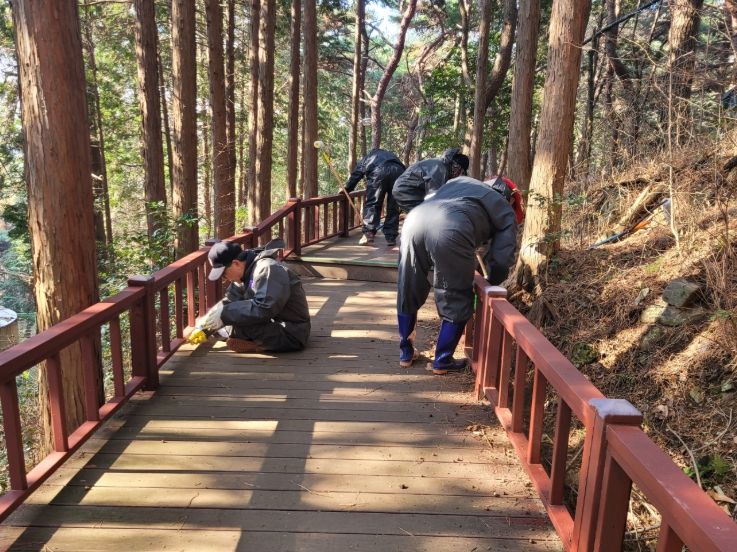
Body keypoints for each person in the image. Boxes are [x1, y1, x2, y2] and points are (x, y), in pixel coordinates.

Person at [396, 176, 517, 375]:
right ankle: (442, 360)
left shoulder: (461, 182)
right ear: (507, 196)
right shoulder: (504, 207)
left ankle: (405, 352)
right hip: (451, 226)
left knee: (408, 285)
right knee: (455, 294)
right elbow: (502, 257)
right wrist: (492, 281)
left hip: (414, 220)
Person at [187, 240, 311, 353]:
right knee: (228, 321)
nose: (225, 279)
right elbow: (230, 301)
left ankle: (258, 345)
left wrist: (224, 314)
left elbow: (265, 308)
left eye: (224, 274)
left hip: (292, 332)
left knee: (235, 322)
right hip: (273, 323)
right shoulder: (245, 272)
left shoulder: (267, 269)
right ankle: (255, 342)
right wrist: (204, 327)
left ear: (236, 263)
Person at [344, 148, 406, 246]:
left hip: (379, 172)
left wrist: (347, 188)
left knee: (373, 203)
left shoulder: (369, 157)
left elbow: (357, 173)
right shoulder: (391, 156)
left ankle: (368, 234)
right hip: (399, 172)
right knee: (393, 206)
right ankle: (391, 237)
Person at [392, 147, 470, 213]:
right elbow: (434, 197)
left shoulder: (442, 166)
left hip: (411, 189)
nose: (458, 175)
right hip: (406, 190)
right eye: (461, 172)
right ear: (456, 166)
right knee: (425, 214)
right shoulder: (440, 168)